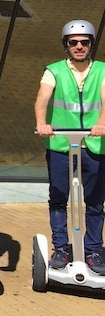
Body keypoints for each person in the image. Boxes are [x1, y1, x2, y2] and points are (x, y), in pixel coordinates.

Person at [34, 19, 105, 275]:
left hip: (94, 144)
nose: (79, 46)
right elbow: (43, 98)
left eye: (84, 42)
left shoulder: (102, 70)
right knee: (59, 198)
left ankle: (94, 249)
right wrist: (42, 123)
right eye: (73, 42)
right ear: (66, 45)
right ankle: (62, 248)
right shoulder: (54, 71)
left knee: (95, 201)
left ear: (91, 45)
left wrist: (101, 122)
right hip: (61, 144)